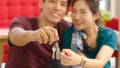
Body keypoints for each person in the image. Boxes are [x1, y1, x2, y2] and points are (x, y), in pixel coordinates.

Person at [5, 0, 72, 68]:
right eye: (52, 1)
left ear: (66, 11)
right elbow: (14, 36)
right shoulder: (22, 22)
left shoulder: (67, 28)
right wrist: (33, 35)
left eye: (63, 4)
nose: (57, 8)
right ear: (41, 4)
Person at [61, 0, 118, 68]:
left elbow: (100, 63)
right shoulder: (69, 34)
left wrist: (79, 60)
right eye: (74, 11)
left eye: (83, 12)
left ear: (96, 15)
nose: (76, 17)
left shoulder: (109, 34)